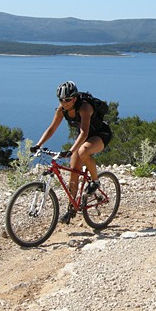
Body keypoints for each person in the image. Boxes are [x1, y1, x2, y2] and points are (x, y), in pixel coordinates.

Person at [30, 81, 112, 224]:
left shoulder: (85, 107)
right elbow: (51, 128)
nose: (64, 102)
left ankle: (96, 181)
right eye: (61, 100)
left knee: (83, 150)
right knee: (74, 173)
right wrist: (38, 144)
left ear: (74, 98)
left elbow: (84, 132)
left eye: (67, 100)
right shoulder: (62, 110)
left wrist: (70, 151)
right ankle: (71, 210)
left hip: (100, 135)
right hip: (83, 138)